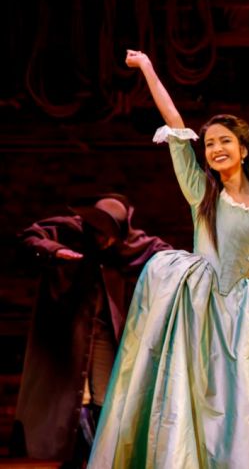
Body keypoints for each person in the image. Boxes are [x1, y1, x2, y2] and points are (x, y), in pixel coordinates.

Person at [87, 50, 249, 468]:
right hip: (197, 308)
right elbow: (176, 124)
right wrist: (148, 68)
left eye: (224, 142)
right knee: (194, 396)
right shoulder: (203, 195)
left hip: (244, 316)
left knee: (247, 400)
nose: (215, 149)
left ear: (244, 149)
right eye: (210, 144)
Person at [12, 195, 170, 468]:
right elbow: (29, 237)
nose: (99, 239)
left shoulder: (131, 243)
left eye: (106, 234)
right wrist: (54, 251)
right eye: (95, 231)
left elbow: (167, 254)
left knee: (105, 397)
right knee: (74, 398)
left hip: (105, 331)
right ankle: (78, 461)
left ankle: (100, 458)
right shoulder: (71, 228)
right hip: (69, 329)